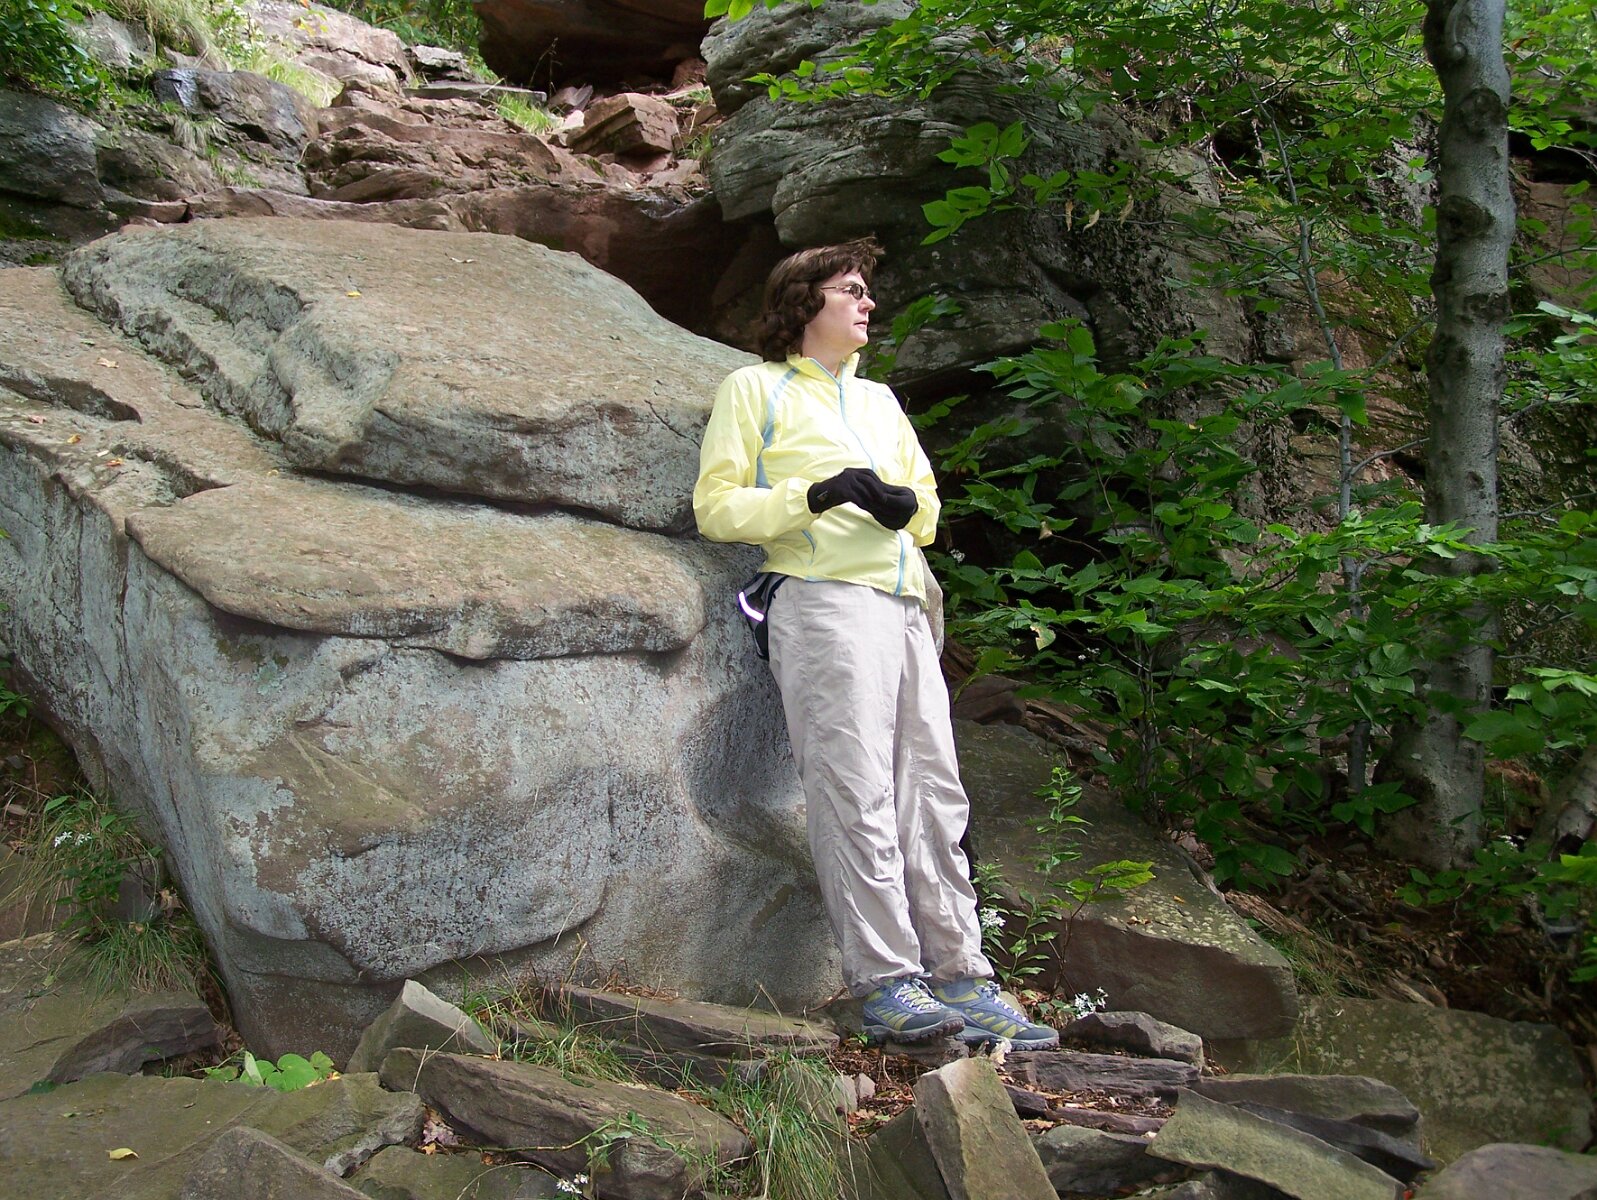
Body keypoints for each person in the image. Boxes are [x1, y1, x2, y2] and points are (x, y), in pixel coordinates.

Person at [693, 239, 1059, 1050]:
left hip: (904, 603)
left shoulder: (881, 401)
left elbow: (925, 507)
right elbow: (716, 509)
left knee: (931, 791)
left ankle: (963, 976)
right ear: (803, 301)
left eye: (866, 291)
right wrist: (817, 494)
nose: (867, 304)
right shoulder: (754, 388)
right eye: (850, 290)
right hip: (821, 598)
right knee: (852, 785)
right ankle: (887, 982)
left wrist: (903, 508)